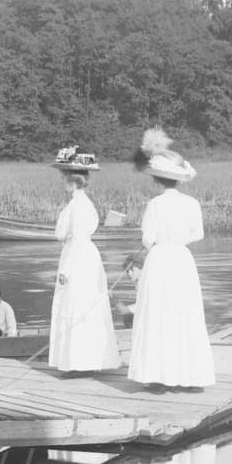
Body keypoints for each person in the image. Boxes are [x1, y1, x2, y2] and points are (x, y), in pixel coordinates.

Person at [125, 127, 215, 391]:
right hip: (182, 261)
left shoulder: (155, 205)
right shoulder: (192, 204)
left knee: (157, 313)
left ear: (157, 180)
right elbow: (197, 234)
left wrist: (160, 242)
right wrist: (178, 240)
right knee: (184, 313)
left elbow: (147, 238)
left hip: (160, 260)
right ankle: (188, 376)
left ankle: (157, 376)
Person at [48, 146, 122, 373]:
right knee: (85, 304)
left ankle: (78, 363)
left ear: (72, 181)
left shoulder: (75, 206)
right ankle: (86, 360)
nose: (62, 181)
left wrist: (65, 272)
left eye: (64, 177)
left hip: (77, 257)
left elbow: (67, 236)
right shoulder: (83, 204)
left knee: (74, 303)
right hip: (87, 257)